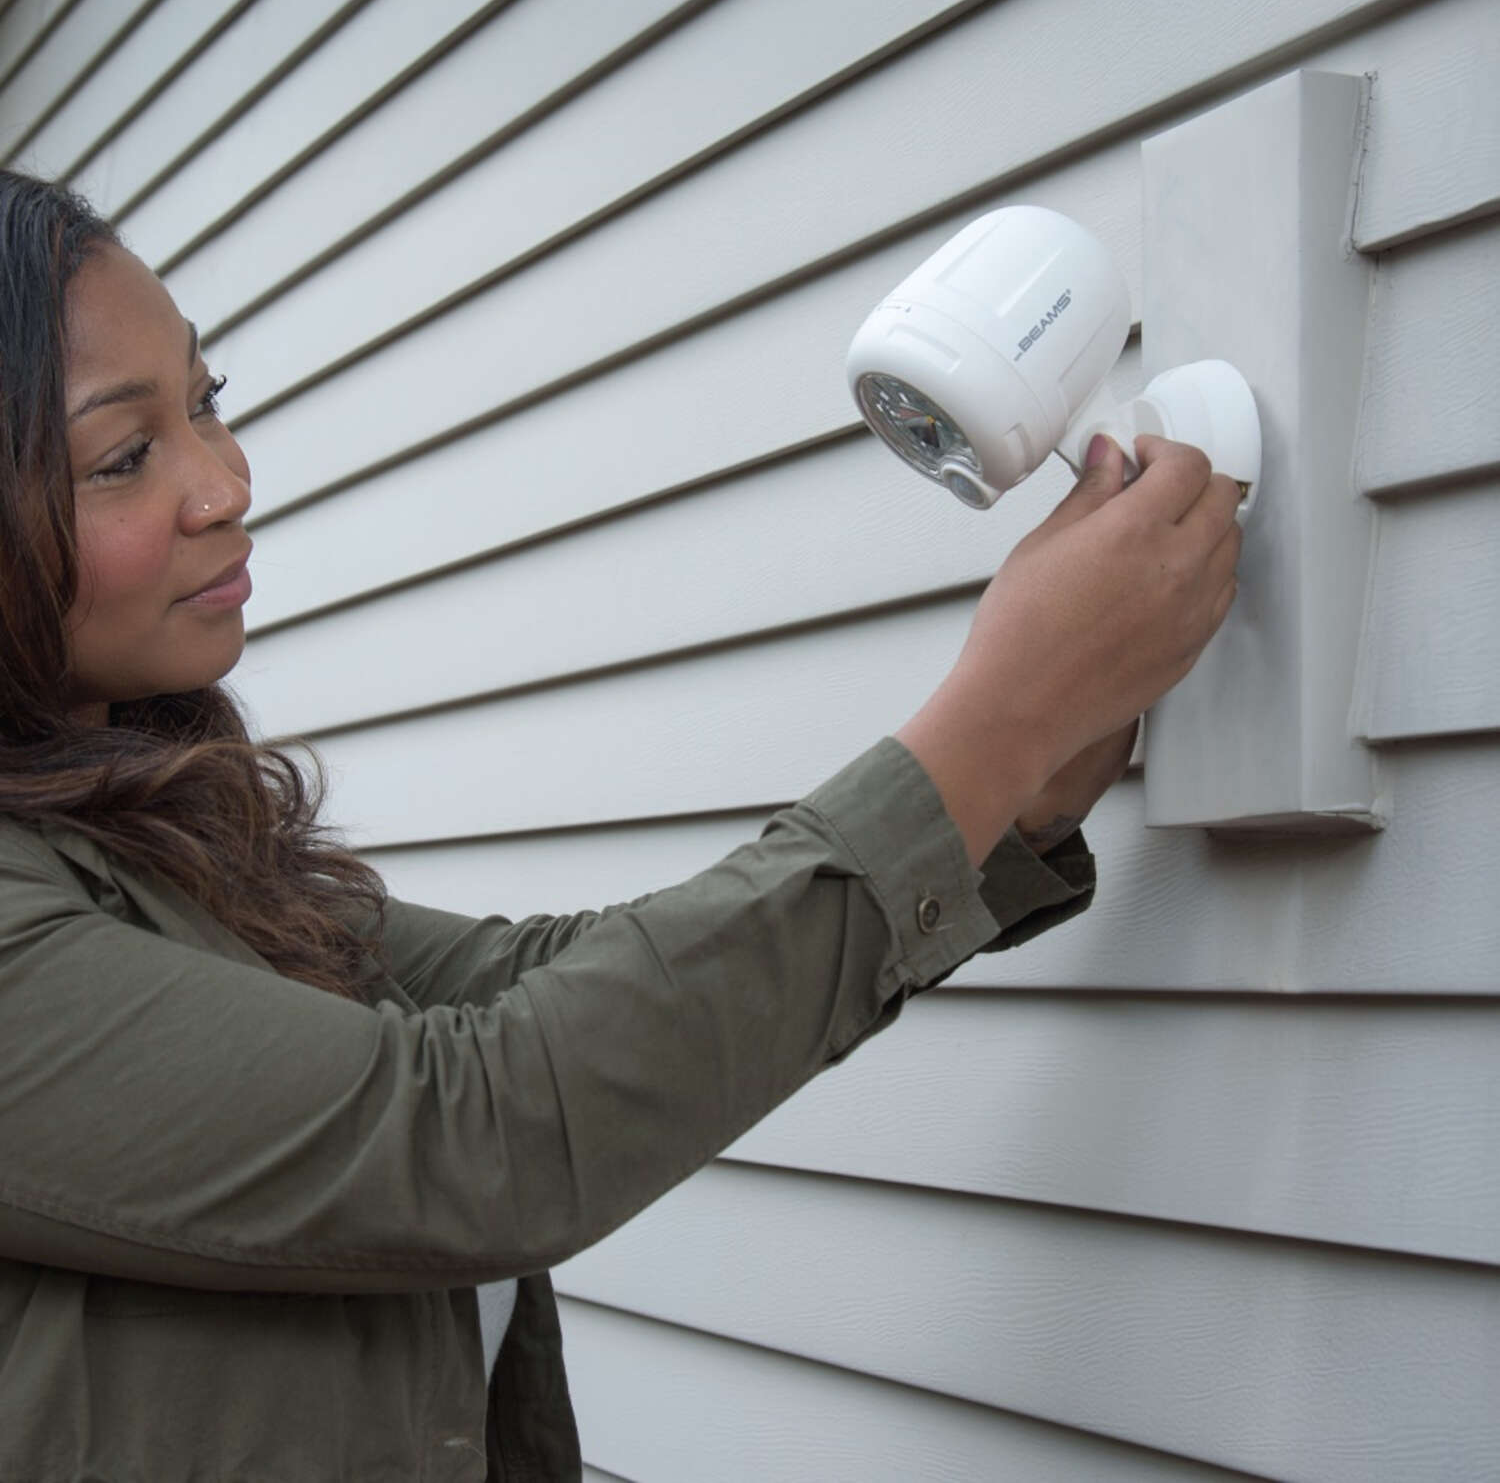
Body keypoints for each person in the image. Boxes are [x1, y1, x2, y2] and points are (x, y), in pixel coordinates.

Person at [0, 169, 1240, 1481]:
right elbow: (469, 1133)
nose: (224, 482)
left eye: (208, 403)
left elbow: (530, 989)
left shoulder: (153, 847)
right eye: (126, 456)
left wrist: (1019, 780)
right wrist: (993, 721)